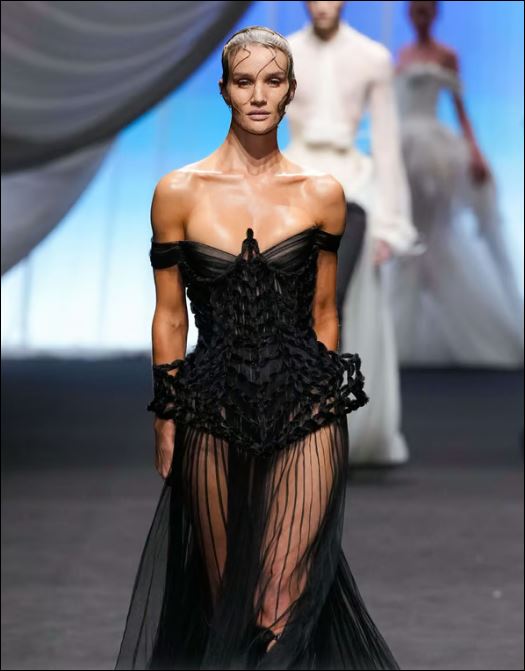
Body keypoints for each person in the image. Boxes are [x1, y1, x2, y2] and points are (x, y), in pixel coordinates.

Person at [114, 25, 401, 671]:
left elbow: (324, 311)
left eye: (273, 81)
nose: (259, 95)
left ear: (291, 90)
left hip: (304, 405)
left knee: (279, 604)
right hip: (211, 405)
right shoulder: (178, 192)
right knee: (229, 604)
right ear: (223, 90)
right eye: (244, 81)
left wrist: (327, 406)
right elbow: (169, 316)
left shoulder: (321, 193)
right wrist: (165, 418)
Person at [284, 1, 421, 466]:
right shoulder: (282, 53)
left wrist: (392, 224)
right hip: (293, 184)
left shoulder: (372, 57)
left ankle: (321, 426)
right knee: (290, 301)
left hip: (352, 187)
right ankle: (289, 425)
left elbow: (386, 142)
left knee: (332, 300)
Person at [385, 0, 523, 366]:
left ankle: (468, 335)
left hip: (432, 154)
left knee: (432, 236)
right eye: (416, 9)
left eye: (426, 8)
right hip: (404, 151)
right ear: (409, 13)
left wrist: (476, 152)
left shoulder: (447, 55)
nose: (421, 14)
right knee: (410, 239)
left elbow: (462, 111)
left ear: (436, 13)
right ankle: (406, 337)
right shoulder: (402, 54)